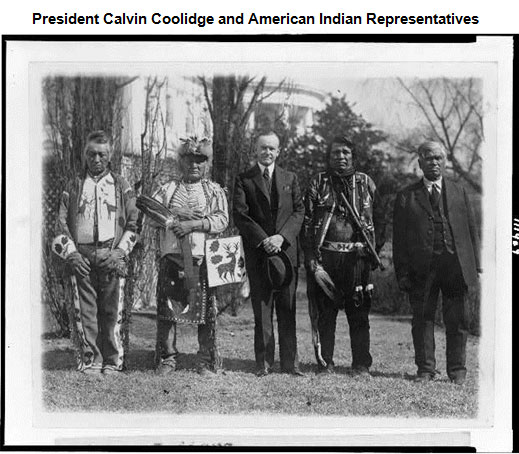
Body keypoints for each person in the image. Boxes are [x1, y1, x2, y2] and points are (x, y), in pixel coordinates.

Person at [393, 141, 481, 385]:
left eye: (439, 158)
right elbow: (399, 240)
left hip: (456, 266)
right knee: (422, 319)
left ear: (445, 162)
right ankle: (426, 369)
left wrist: (477, 266)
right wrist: (402, 273)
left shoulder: (459, 191)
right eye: (429, 158)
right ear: (420, 163)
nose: (434, 162)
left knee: (458, 320)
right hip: (422, 269)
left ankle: (458, 370)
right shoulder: (406, 196)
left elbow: (471, 231)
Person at [52, 130, 139, 375]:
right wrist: (72, 254)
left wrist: (121, 252)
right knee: (86, 310)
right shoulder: (74, 185)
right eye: (91, 154)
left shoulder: (121, 185)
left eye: (101, 154)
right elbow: (60, 223)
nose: (96, 159)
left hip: (111, 255)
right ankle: (91, 360)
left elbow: (135, 221)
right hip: (82, 256)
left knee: (113, 312)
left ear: (109, 156)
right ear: (85, 156)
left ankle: (112, 361)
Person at [302, 136, 386, 377]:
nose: (340, 156)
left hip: (357, 259)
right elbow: (307, 221)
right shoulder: (319, 182)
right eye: (335, 152)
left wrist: (373, 251)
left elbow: (380, 220)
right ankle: (325, 362)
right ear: (329, 157)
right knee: (325, 314)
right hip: (325, 257)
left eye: (345, 152)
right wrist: (310, 255)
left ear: (353, 156)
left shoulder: (366, 183)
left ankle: (361, 364)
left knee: (358, 313)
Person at [150, 137, 229, 375]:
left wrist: (194, 224)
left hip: (201, 260)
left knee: (205, 312)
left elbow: (222, 220)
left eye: (200, 160)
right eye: (189, 160)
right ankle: (167, 358)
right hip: (171, 258)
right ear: (180, 162)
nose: (194, 165)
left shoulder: (213, 191)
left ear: (207, 163)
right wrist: (175, 215)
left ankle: (205, 360)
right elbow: (151, 214)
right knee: (167, 312)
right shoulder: (167, 189)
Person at [233, 132, 304, 377]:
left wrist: (281, 237)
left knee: (287, 309)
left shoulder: (290, 178)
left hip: (286, 254)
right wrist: (264, 240)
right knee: (262, 310)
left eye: (272, 148)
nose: (267, 152)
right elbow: (241, 215)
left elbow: (299, 212)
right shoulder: (244, 179)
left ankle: (290, 364)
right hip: (259, 254)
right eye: (263, 148)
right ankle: (263, 363)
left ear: (279, 151)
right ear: (256, 149)